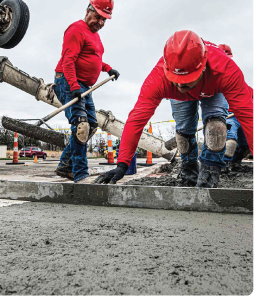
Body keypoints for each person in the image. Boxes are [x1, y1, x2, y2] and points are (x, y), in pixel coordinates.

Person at [95, 30, 259, 189]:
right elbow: (136, 120)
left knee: (216, 128)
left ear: (202, 68)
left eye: (187, 80)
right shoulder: (158, 78)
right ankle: (189, 172)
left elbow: (249, 117)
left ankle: (211, 168)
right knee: (184, 134)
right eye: (176, 79)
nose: (180, 85)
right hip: (181, 97)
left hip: (213, 91)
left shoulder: (225, 71)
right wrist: (122, 165)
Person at [53, 0, 120, 183]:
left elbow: (94, 59)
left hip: (84, 85)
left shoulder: (95, 37)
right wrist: (74, 87)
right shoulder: (76, 30)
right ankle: (80, 174)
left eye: (104, 19)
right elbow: (69, 60)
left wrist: (108, 69)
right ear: (88, 10)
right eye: (98, 17)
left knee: (91, 126)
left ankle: (65, 165)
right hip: (68, 80)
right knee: (81, 125)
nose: (100, 22)